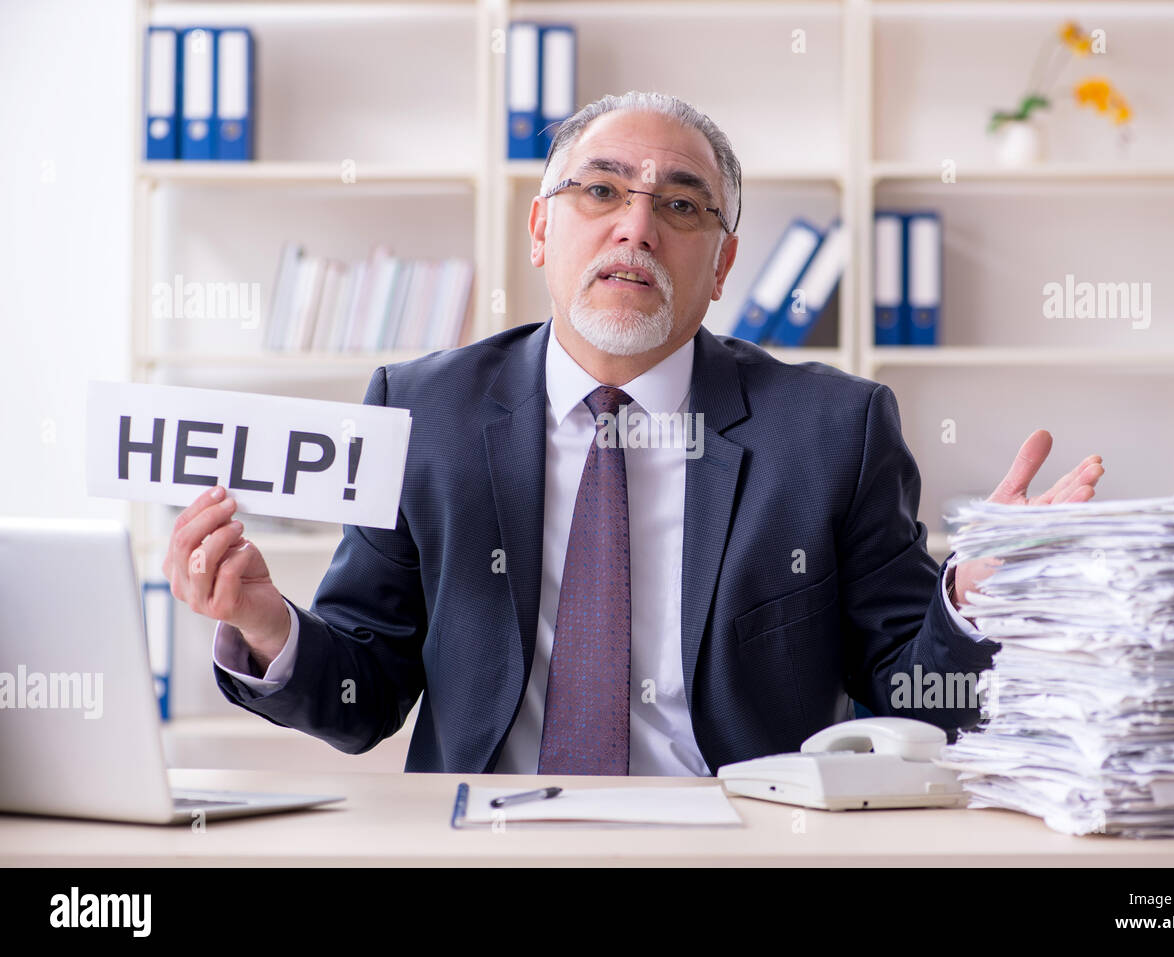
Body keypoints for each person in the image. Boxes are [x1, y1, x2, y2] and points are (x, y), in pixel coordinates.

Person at [162, 91, 1103, 776]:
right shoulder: (422, 411)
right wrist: (262, 620)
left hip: (746, 842)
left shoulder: (833, 430)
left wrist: (979, 603)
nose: (637, 228)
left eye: (681, 205)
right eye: (601, 192)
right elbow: (365, 694)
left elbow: (908, 698)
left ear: (724, 260)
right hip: (487, 844)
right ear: (540, 229)